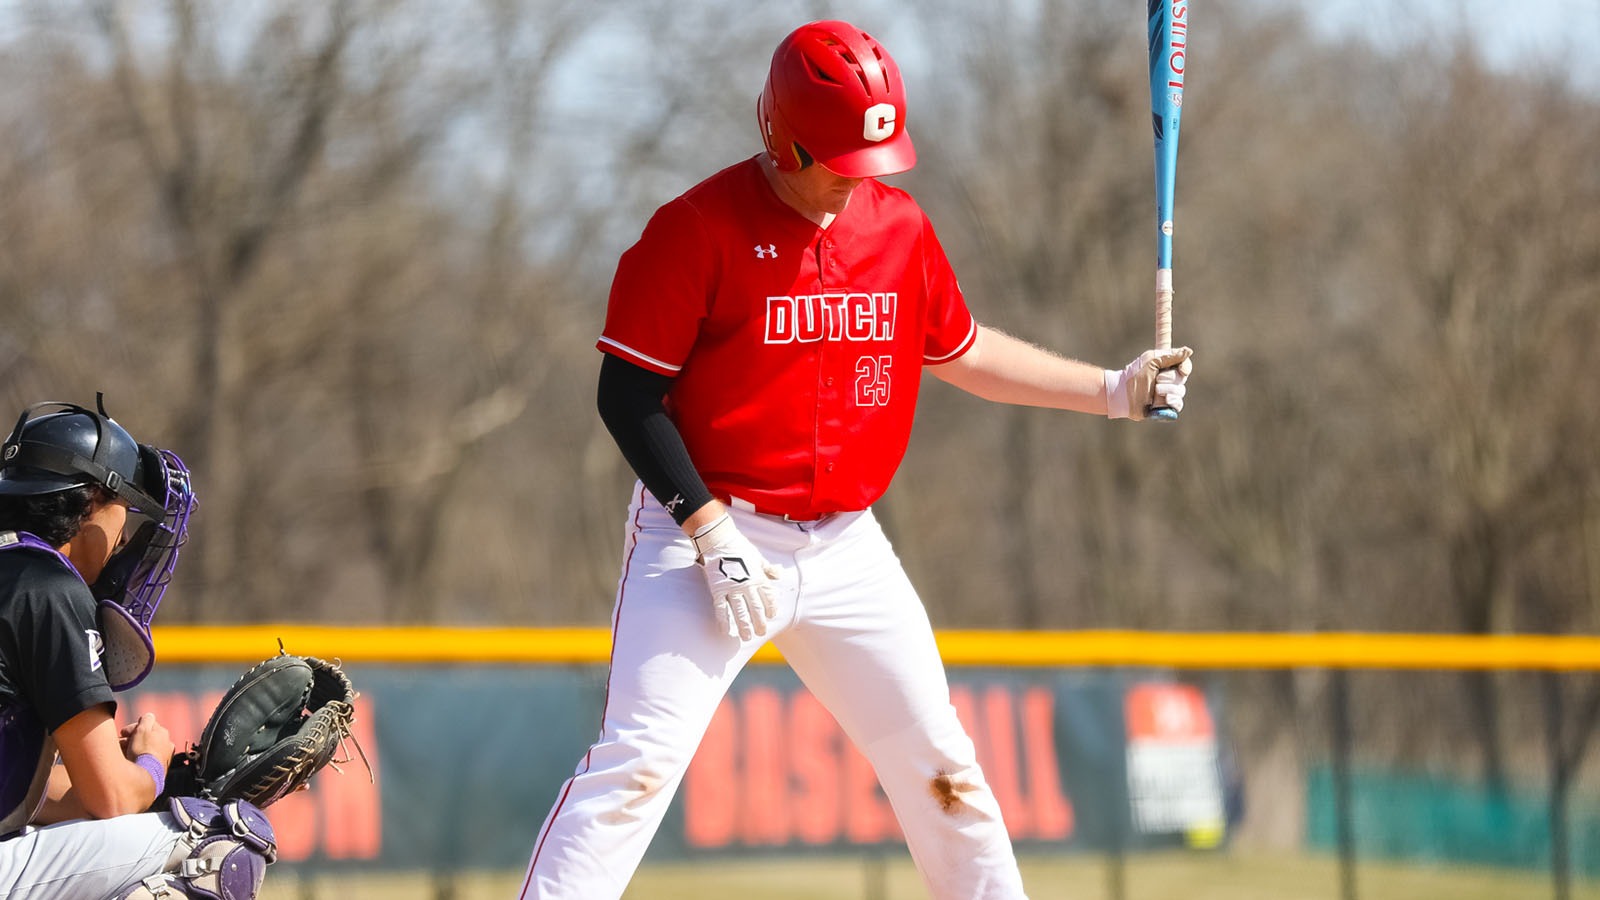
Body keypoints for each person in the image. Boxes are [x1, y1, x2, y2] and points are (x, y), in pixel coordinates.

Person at [518, 19, 1191, 900]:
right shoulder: (694, 231)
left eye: (869, 162)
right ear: (777, 134)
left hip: (844, 548)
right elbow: (627, 396)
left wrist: (1114, 389)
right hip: (703, 539)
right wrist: (707, 524)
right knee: (635, 768)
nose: (855, 182)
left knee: (942, 768)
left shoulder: (898, 228)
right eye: (834, 160)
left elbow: (963, 352)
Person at [0, 397, 275, 899]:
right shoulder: (45, 584)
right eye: (123, 511)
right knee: (218, 838)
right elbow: (109, 798)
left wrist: (140, 782)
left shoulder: (12, 573)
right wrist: (149, 767)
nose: (123, 536)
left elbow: (36, 800)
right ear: (90, 501)